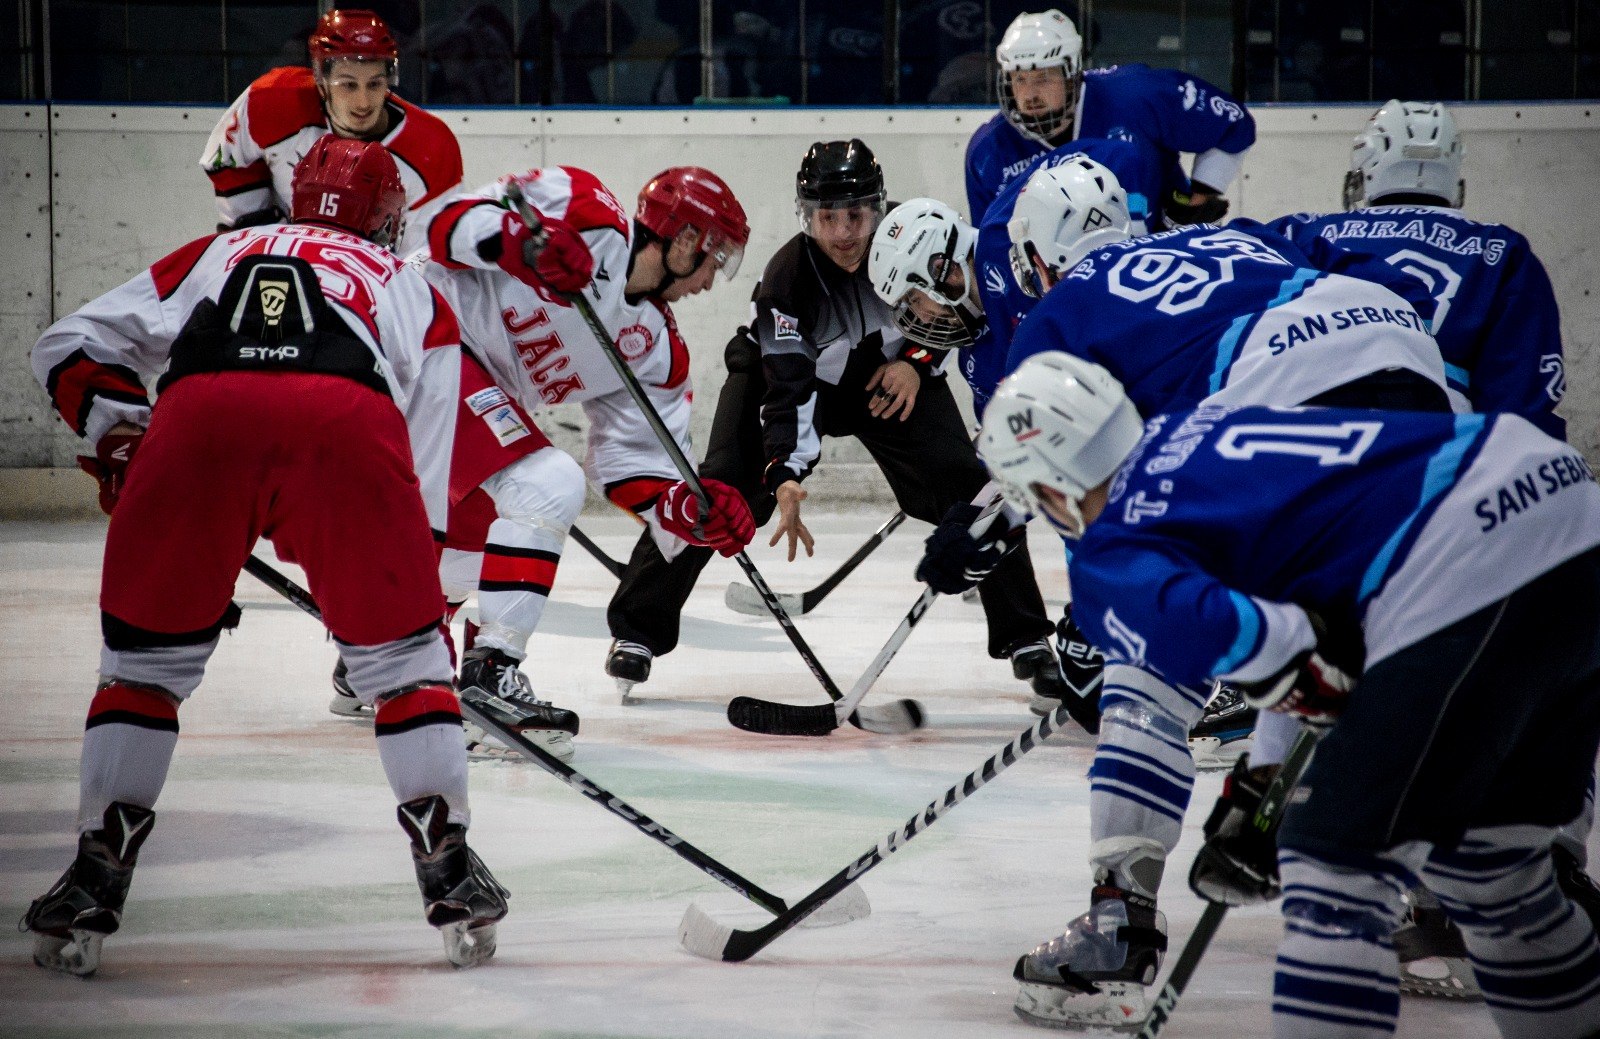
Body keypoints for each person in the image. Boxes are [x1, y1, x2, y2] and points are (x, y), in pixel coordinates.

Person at [981, 351, 1600, 1036]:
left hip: (1468, 562)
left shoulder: (1111, 550)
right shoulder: (1199, 424)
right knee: (1492, 869)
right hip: (1564, 506)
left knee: (1333, 867)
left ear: (1054, 487)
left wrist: (1285, 784)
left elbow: (1278, 649)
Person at [24, 136, 507, 975]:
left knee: (142, 667)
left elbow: (65, 345)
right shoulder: (412, 286)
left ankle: (96, 870)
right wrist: (405, 609)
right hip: (346, 425)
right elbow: (426, 462)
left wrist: (121, 428)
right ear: (390, 217)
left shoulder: (219, 249)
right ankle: (448, 865)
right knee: (402, 667)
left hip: (200, 417)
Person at [1262, 96, 1588, 999]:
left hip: (1341, 491)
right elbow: (1529, 421)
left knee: (1312, 654)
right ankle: (1543, 856)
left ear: (1364, 172)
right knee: (1518, 681)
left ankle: (1271, 827)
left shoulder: (1312, 232)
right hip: (1467, 501)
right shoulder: (1502, 252)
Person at [602, 139, 1087, 720]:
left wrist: (917, 362)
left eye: (855, 214)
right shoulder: (788, 280)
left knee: (967, 482)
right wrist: (784, 471)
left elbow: (956, 311)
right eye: (826, 217)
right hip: (781, 378)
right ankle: (637, 628)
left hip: (889, 375)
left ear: (878, 208)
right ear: (807, 216)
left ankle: (1025, 635)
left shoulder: (916, 238)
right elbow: (787, 385)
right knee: (718, 489)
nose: (842, 232)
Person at [420, 164, 757, 696]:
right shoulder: (582, 204)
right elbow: (441, 226)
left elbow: (630, 468)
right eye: (712, 261)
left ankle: (391, 653)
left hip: (467, 397)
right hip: (417, 332)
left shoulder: (657, 350)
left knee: (476, 541)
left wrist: (688, 510)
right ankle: (490, 671)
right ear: (684, 238)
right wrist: (517, 244)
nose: (711, 280)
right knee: (547, 481)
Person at [1265, 99, 1566, 439]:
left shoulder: (1301, 232)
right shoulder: (1500, 249)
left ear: (1367, 167)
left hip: (1314, 430)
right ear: (1454, 175)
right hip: (1439, 440)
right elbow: (1519, 396)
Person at [200, 8, 462, 255]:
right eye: (349, 85)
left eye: (374, 84)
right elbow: (226, 160)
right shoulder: (271, 102)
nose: (363, 102)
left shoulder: (432, 147)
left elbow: (424, 259)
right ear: (322, 81)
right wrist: (255, 227)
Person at [964, 9, 1255, 228]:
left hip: (1158, 261)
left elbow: (1233, 122)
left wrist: (1200, 196)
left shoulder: (1136, 95)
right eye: (1020, 80)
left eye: (1043, 78)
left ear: (1071, 74)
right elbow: (992, 250)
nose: (1029, 94)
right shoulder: (988, 153)